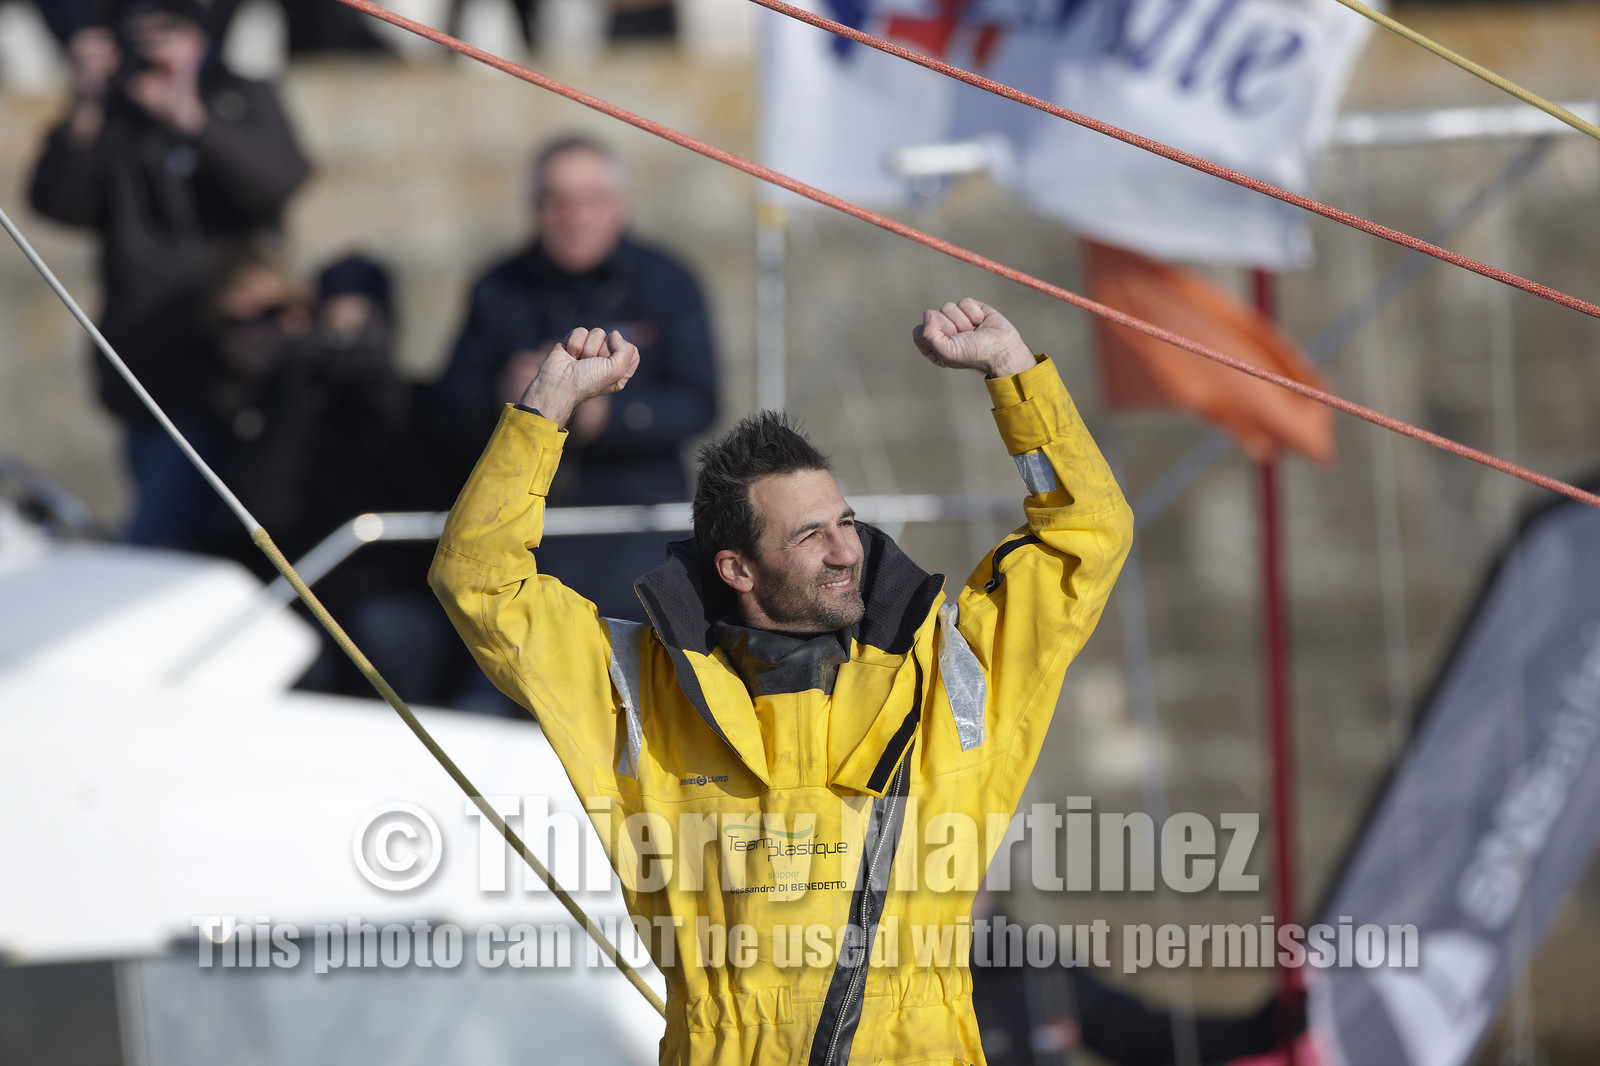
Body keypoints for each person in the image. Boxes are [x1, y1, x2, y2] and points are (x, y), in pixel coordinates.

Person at [429, 297, 1134, 1065]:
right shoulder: (637, 685)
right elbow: (480, 580)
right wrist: (547, 407)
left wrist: (1014, 375)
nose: (846, 550)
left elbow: (1085, 537)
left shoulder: (952, 664)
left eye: (845, 522)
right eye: (810, 535)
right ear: (736, 568)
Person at [28, 0, 310, 548]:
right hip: (154, 375)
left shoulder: (239, 96)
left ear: (201, 38)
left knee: (257, 533)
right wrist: (84, 103)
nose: (153, 49)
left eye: (167, 32)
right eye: (139, 36)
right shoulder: (112, 117)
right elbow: (57, 204)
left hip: (250, 364)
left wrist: (191, 118)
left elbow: (280, 181)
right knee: (166, 539)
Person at [423, 134, 717, 621]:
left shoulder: (667, 280)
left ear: (618, 205)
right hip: (525, 532)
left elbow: (698, 402)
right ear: (534, 209)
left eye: (591, 201)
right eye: (556, 203)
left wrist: (606, 416)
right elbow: (447, 405)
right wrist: (506, 396)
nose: (575, 218)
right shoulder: (497, 286)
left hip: (636, 527)